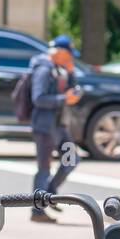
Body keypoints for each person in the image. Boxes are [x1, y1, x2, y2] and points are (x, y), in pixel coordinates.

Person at [27, 35, 82, 223]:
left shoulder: (60, 69)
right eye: (68, 55)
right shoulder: (43, 69)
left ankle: (50, 193)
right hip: (44, 127)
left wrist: (71, 72)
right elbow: (38, 98)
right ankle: (37, 212)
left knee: (71, 159)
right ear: (58, 52)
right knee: (44, 169)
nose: (70, 59)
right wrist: (63, 99)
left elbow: (71, 88)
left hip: (59, 127)